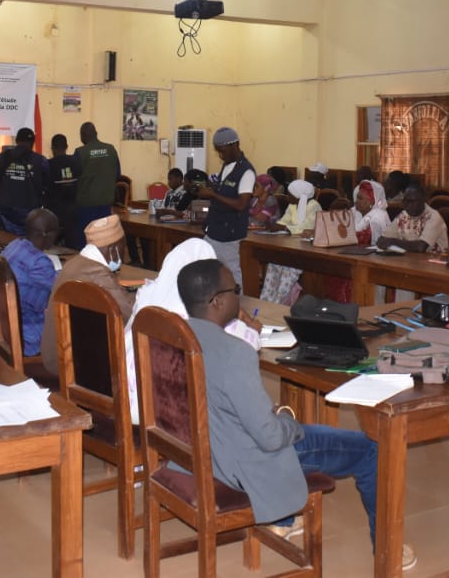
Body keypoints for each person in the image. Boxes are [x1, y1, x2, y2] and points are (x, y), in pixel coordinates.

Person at [172, 258, 415, 571]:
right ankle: (388, 549)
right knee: (371, 450)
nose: (239, 296)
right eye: (236, 290)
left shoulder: (175, 334)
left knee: (282, 424)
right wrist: (288, 422)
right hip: (244, 464)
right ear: (217, 301)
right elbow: (271, 438)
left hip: (202, 452)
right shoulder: (234, 352)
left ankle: (283, 520)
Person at [122, 239, 261, 422]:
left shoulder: (147, 302)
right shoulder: (201, 316)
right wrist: (252, 327)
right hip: (173, 420)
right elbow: (248, 344)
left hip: (131, 407)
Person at [40, 213, 135, 371]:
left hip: (59, 354)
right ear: (112, 249)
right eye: (122, 247)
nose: (124, 254)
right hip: (73, 365)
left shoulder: (75, 263)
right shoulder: (98, 274)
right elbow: (130, 312)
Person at [198, 126, 255, 287]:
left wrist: (213, 195)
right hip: (214, 228)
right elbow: (225, 192)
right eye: (218, 152)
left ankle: (237, 301)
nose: (221, 156)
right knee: (210, 271)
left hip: (230, 233)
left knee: (231, 273)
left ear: (235, 145)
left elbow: (241, 204)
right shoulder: (227, 165)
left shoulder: (246, 172)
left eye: (223, 151)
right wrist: (211, 188)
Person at [5, 209, 62, 358]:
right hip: (25, 333)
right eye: (56, 231)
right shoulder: (38, 262)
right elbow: (62, 286)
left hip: (4, 325)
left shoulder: (14, 245)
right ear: (46, 234)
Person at [260, 180, 319, 303]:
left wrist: (285, 228)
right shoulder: (292, 205)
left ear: (298, 195)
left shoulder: (314, 206)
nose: (288, 197)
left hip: (305, 249)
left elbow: (306, 227)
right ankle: (267, 299)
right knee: (274, 263)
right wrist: (275, 226)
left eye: (290, 194)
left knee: (288, 269)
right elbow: (284, 221)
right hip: (289, 245)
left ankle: (280, 301)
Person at [71, 122, 121, 249]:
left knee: (86, 242)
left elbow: (73, 178)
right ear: (96, 133)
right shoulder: (111, 149)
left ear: (82, 135)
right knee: (104, 240)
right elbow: (118, 175)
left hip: (85, 206)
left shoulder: (80, 152)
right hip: (106, 204)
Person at [0, 127, 48, 235]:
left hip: (6, 211)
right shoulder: (40, 161)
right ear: (33, 142)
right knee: (28, 242)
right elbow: (46, 185)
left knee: (5, 241)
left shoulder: (2, 158)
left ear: (16, 141)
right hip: (29, 212)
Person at [377, 185, 448, 253]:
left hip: (435, 259)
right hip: (410, 259)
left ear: (423, 201)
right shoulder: (403, 215)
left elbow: (421, 247)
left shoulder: (433, 216)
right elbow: (383, 238)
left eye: (412, 201)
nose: (408, 205)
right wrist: (383, 241)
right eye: (405, 201)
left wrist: (393, 241)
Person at [45, 133, 78, 244]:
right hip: (73, 213)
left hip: (53, 213)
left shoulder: (48, 165)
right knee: (71, 246)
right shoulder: (76, 162)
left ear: (52, 148)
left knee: (52, 246)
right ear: (67, 146)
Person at [352, 179, 391, 246]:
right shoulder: (355, 211)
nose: (356, 201)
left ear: (372, 202)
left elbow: (363, 238)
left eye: (360, 198)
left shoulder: (378, 217)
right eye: (357, 198)